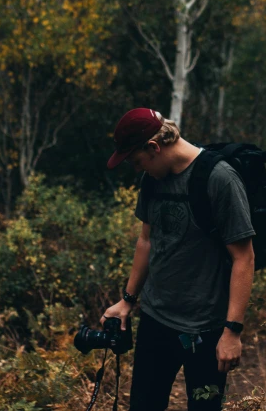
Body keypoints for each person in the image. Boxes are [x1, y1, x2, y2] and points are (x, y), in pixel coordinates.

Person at [102, 108, 255, 411]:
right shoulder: (152, 180)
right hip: (155, 321)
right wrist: (128, 299)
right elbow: (146, 240)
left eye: (137, 160)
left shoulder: (219, 178)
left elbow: (244, 258)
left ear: (154, 148)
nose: (137, 169)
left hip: (205, 330)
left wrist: (231, 332)